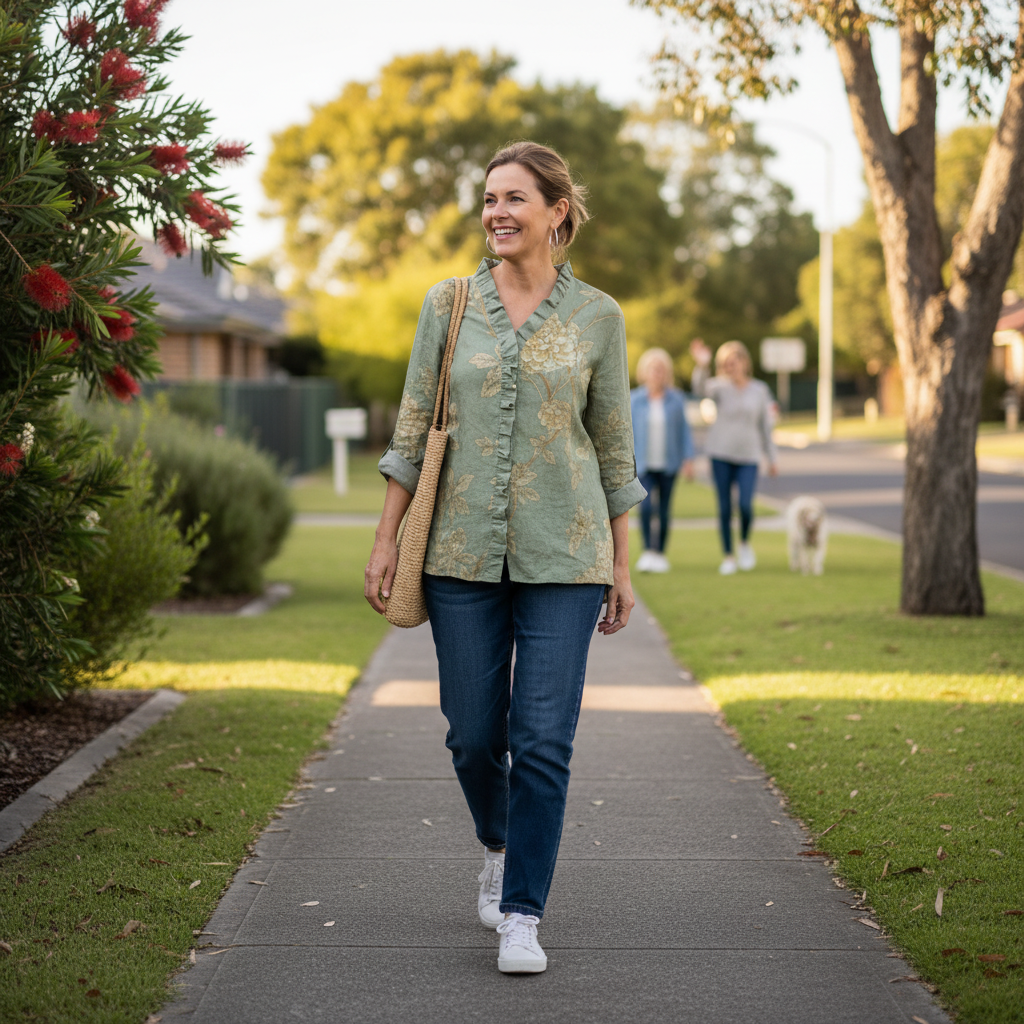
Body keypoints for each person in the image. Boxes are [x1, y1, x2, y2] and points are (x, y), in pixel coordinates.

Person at [364, 142, 646, 976]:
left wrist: (622, 565)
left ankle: (523, 912)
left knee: (544, 739)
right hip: (459, 551)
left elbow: (614, 447)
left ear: (557, 211)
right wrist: (386, 537)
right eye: (490, 199)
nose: (497, 213)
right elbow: (413, 424)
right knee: (474, 734)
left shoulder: (599, 317)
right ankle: (498, 841)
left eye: (515, 198)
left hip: (567, 554)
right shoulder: (448, 304)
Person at [689, 338, 777, 575]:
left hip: (749, 456)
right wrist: (702, 365)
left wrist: (772, 457)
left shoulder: (759, 390)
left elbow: (765, 426)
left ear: (744, 362)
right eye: (725, 363)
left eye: (734, 362)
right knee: (725, 506)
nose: (730, 367)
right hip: (720, 454)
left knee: (746, 505)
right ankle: (728, 556)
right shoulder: (719, 387)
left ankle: (744, 543)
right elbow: (699, 389)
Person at [630, 347, 694, 573]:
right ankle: (648, 551)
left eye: (661, 369)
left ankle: (660, 554)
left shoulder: (676, 399)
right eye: (653, 369)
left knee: (664, 510)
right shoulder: (635, 399)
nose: (657, 373)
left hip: (669, 464)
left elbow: (685, 431)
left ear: (667, 373)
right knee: (646, 507)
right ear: (644, 372)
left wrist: (689, 459)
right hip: (643, 464)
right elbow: (626, 432)